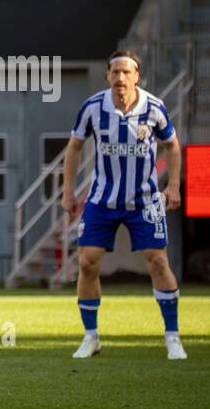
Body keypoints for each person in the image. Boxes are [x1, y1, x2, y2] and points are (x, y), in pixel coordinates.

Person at [63, 50, 186, 360]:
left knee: (158, 261)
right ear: (107, 76)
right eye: (114, 72)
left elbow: (171, 144)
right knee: (87, 262)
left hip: (144, 200)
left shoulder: (154, 108)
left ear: (136, 77)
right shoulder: (92, 108)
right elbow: (74, 147)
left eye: (126, 72)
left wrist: (172, 185)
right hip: (102, 199)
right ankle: (91, 337)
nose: (120, 77)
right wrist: (67, 190)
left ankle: (172, 337)